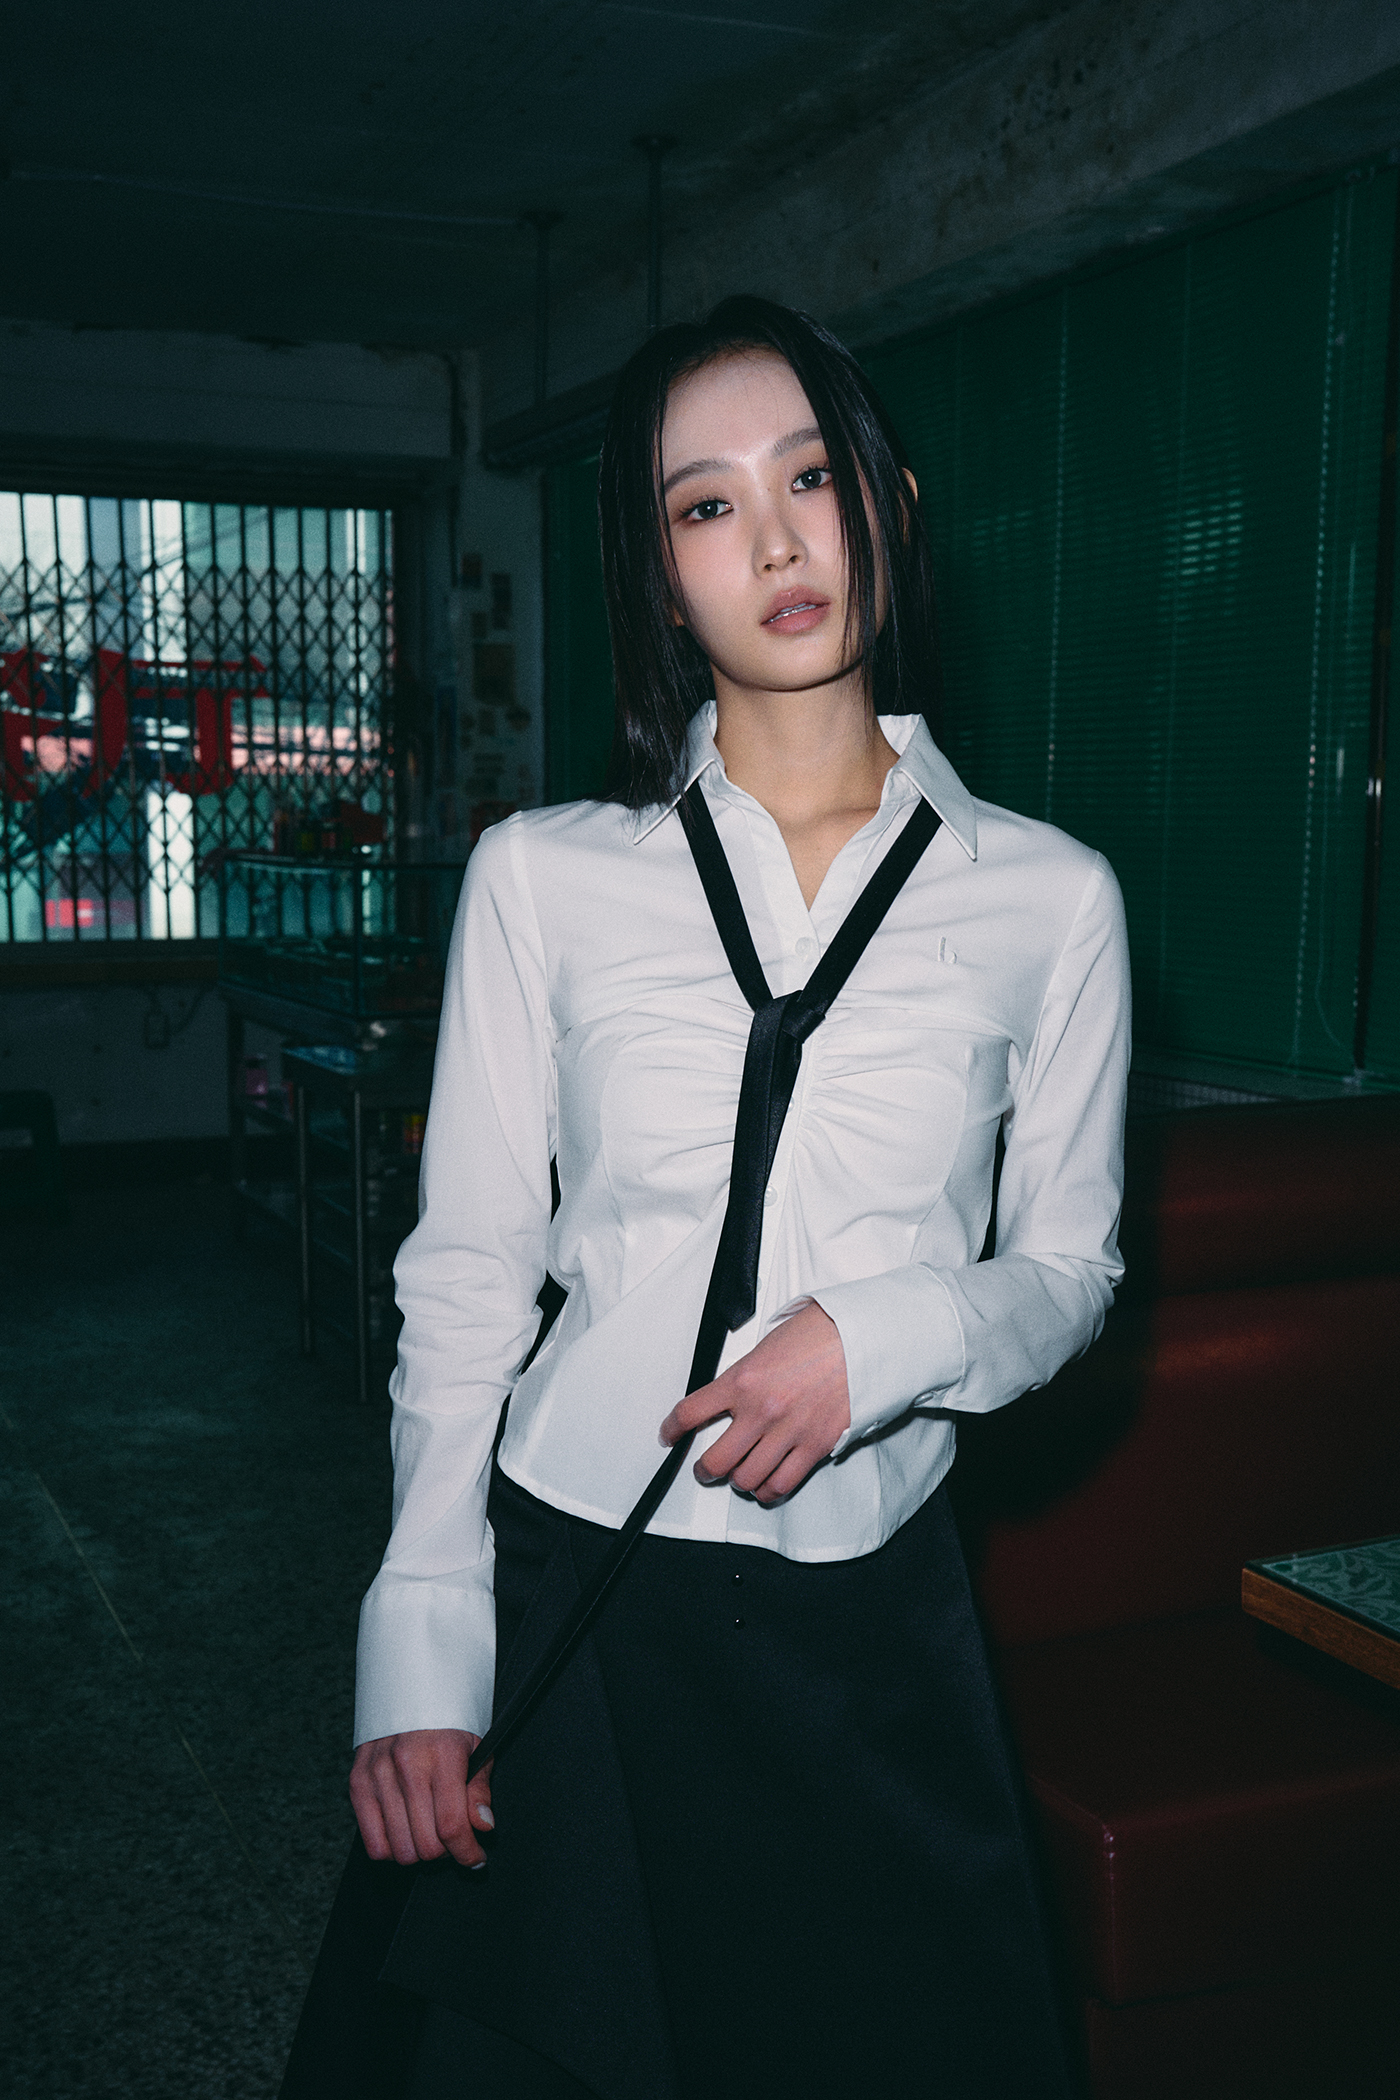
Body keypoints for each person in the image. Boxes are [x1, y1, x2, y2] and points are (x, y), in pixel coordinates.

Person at [281, 295, 1130, 2100]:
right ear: (661, 579)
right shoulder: (542, 878)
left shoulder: (1051, 900)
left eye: (811, 477)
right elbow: (468, 1270)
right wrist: (420, 1639)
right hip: (580, 1588)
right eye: (706, 504)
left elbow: (1070, 1268)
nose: (777, 540)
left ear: (889, 501)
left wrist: (887, 1338)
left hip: (870, 1611)